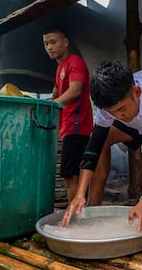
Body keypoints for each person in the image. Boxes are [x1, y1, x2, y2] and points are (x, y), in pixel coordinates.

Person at [61, 60, 142, 231]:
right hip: (138, 118)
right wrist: (79, 194)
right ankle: (93, 205)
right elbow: (94, 146)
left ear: (137, 91)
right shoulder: (109, 103)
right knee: (103, 140)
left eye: (121, 109)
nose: (119, 116)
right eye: (112, 113)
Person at [43, 26, 93, 202]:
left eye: (53, 42)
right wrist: (43, 103)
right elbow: (56, 94)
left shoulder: (75, 62)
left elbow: (75, 91)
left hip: (77, 125)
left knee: (70, 174)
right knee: (72, 173)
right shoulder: (60, 68)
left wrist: (54, 103)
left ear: (65, 42)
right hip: (67, 127)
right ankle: (78, 211)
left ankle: (75, 215)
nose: (49, 47)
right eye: (46, 43)